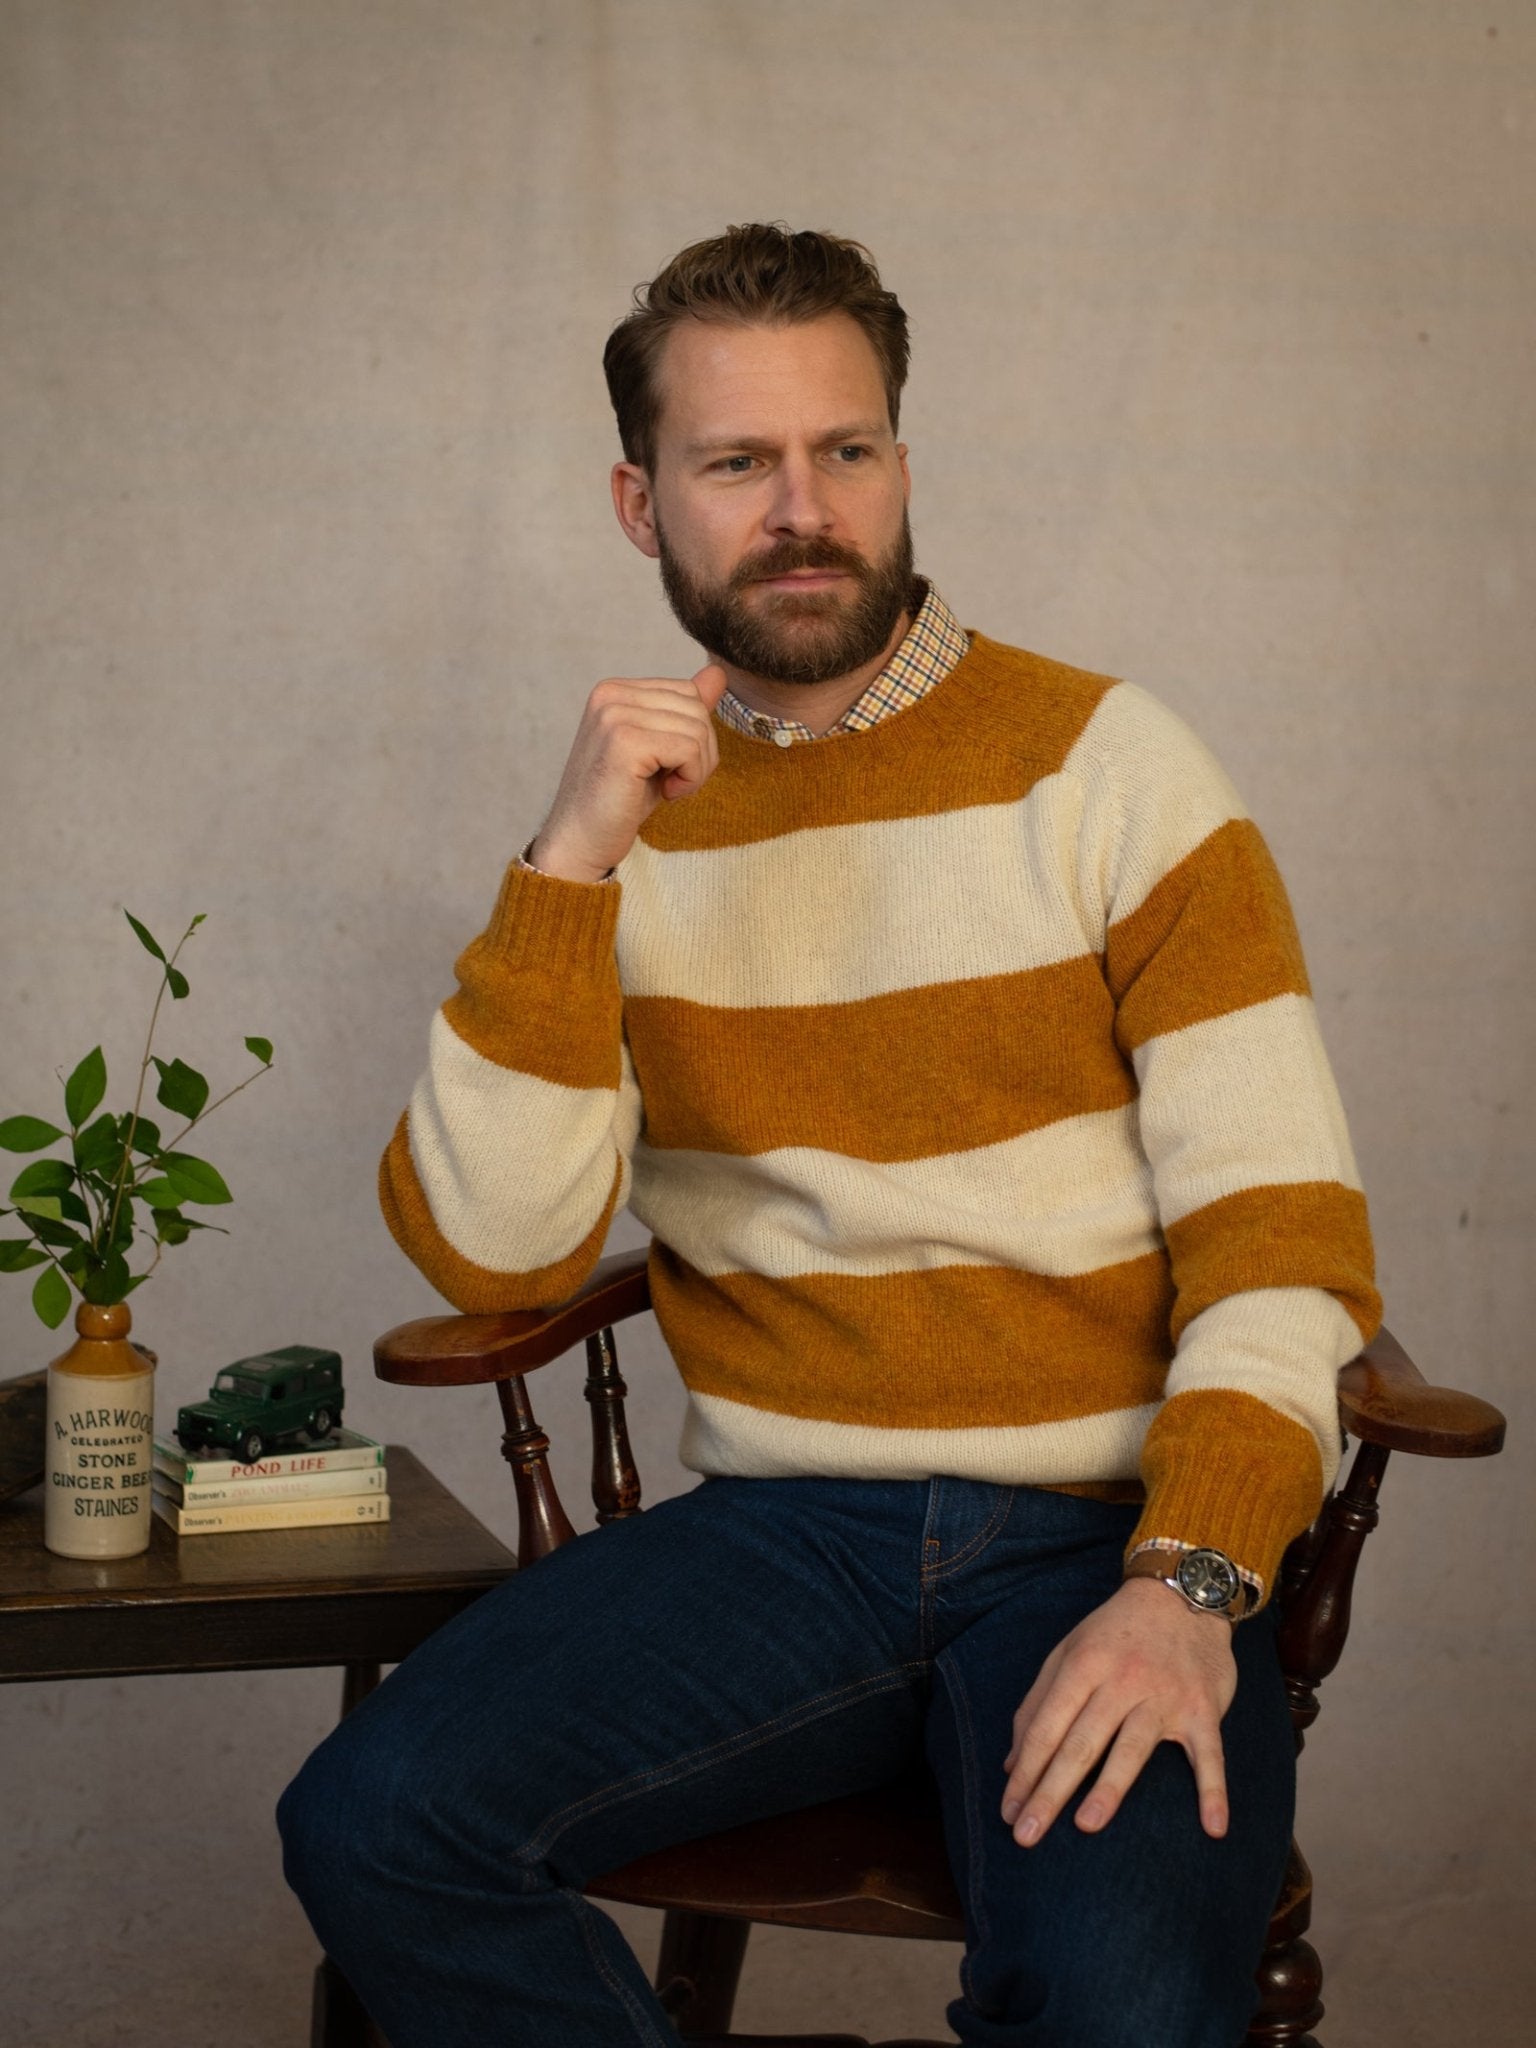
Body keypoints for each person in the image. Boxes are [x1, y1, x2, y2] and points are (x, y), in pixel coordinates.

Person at [279, 224, 1380, 2046]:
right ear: (643, 507)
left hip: (1103, 1532)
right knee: (376, 1825)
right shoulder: (621, 834)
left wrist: (1189, 1587)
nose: (804, 509)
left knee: (1120, 2003)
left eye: (844, 451)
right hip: (786, 1543)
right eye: (738, 464)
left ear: (901, 465)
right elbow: (494, 1255)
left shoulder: (1112, 768)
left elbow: (1285, 1242)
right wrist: (567, 868)